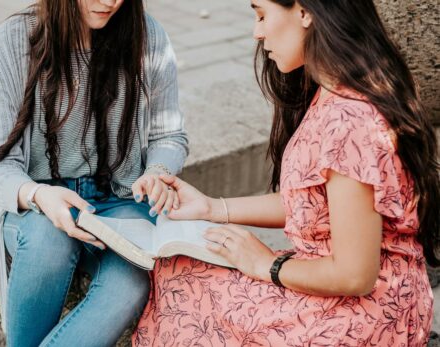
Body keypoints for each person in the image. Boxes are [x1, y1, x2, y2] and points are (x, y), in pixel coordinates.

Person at [133, 0, 440, 345]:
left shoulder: (349, 120)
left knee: (185, 287)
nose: (257, 32)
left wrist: (266, 265)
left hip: (367, 315)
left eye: (262, 14)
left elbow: (355, 275)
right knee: (178, 269)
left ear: (306, 11)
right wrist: (212, 208)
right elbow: (316, 202)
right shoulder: (336, 88)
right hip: (356, 290)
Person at [0, 0, 188, 346]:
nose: (110, 2)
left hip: (119, 202)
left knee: (131, 282)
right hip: (40, 204)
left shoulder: (148, 38)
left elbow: (168, 135)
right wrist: (39, 195)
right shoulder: (13, 42)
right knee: (48, 240)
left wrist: (157, 172)